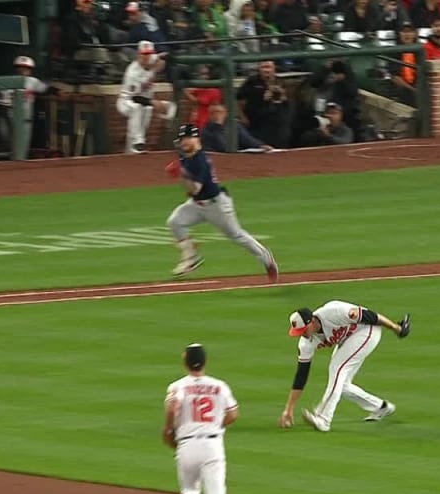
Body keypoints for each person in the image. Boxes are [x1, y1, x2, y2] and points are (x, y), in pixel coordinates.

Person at [164, 123, 278, 280]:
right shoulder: (184, 154)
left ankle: (266, 259)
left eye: (187, 138)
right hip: (197, 205)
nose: (184, 142)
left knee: (237, 235)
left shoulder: (200, 160)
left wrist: (181, 174)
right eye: (182, 139)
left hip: (216, 206)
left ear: (196, 139)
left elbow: (194, 189)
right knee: (175, 222)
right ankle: (191, 257)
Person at [162, 343, 239, 494]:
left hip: (187, 445)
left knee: (190, 490)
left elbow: (170, 409)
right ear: (204, 362)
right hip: (213, 444)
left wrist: (168, 430)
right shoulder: (219, 386)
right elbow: (233, 414)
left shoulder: (177, 386)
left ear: (185, 362)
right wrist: (217, 423)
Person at [278, 301, 410, 432]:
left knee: (337, 369)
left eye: (303, 330)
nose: (302, 334)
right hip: (348, 339)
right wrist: (288, 409)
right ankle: (381, 407)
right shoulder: (305, 343)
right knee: (342, 384)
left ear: (312, 321)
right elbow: (301, 375)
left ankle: (323, 418)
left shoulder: (333, 312)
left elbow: (371, 316)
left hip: (366, 330)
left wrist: (396, 328)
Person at [116, 40, 177, 154]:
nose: (146, 56)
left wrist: (163, 59)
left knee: (140, 126)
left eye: (148, 54)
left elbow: (166, 57)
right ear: (138, 54)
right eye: (144, 54)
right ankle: (138, 142)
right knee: (136, 108)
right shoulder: (132, 72)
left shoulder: (152, 58)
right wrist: (155, 103)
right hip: (126, 102)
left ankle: (131, 152)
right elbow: (135, 98)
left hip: (145, 103)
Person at [0, 56, 59, 154]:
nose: (23, 70)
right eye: (20, 67)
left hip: (25, 121)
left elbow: (46, 89)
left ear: (30, 70)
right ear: (15, 68)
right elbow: (3, 106)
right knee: (8, 146)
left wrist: (58, 91)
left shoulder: (32, 81)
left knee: (21, 151)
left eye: (27, 68)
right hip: (9, 120)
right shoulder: (7, 82)